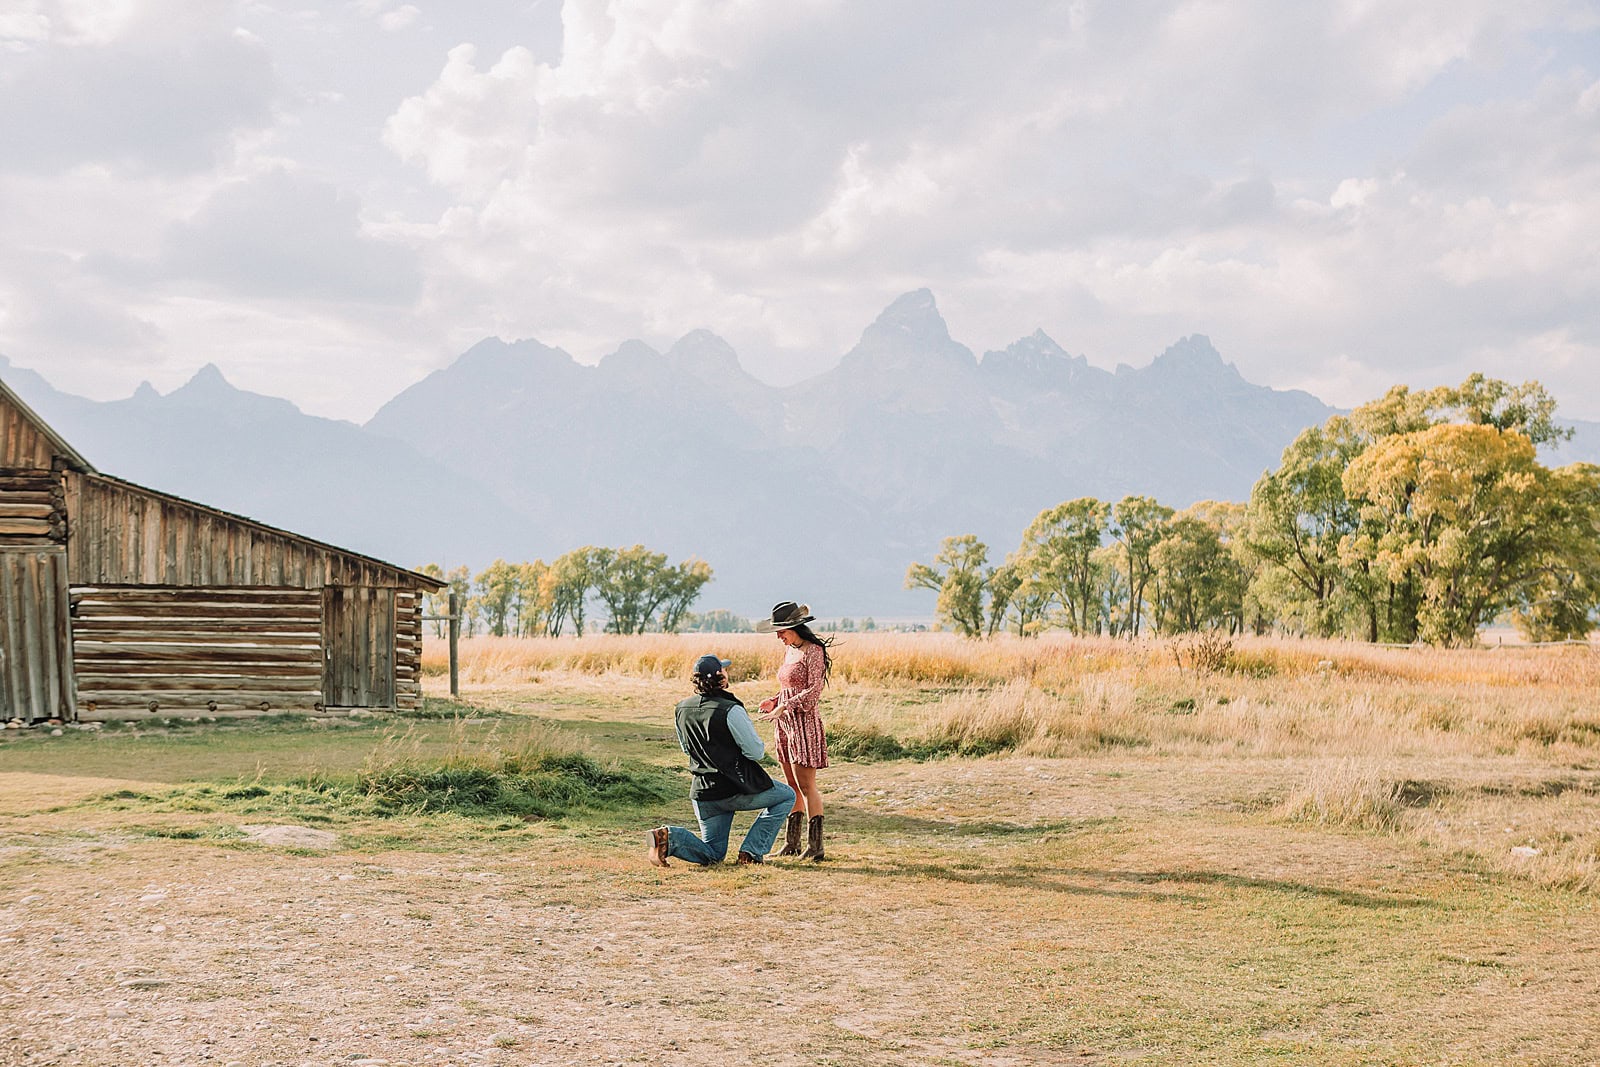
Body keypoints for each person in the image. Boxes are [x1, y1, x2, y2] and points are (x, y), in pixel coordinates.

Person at [647, 653, 796, 867]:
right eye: (724, 669)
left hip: (703, 793)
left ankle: (668, 838)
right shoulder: (730, 709)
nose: (727, 672)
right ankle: (751, 853)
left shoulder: (681, 708)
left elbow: (686, 748)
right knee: (786, 796)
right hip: (735, 788)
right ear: (720, 677)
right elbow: (755, 752)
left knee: (714, 855)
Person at [755, 601, 832, 862]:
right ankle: (792, 843)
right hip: (784, 723)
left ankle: (816, 846)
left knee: (807, 785)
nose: (778, 636)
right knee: (791, 785)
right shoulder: (790, 651)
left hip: (804, 724)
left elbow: (813, 692)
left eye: (781, 630)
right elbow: (790, 686)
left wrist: (785, 705)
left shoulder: (814, 651)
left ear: (795, 627)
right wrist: (775, 701)